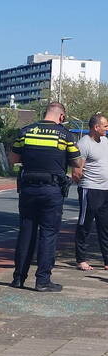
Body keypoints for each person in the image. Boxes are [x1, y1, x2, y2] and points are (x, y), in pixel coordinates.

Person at [9, 101, 81, 292]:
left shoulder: (26, 131)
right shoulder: (65, 135)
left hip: (28, 189)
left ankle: (18, 278)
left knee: (26, 232)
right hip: (52, 190)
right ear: (62, 117)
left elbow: (13, 160)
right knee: (48, 234)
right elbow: (77, 164)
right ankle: (42, 280)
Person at [74, 113, 108, 271]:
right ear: (96, 127)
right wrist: (79, 178)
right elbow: (77, 170)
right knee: (85, 224)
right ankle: (81, 259)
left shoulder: (106, 141)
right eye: (105, 126)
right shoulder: (84, 143)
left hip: (105, 189)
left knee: (105, 225)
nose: (107, 129)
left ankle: (107, 260)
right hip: (90, 188)